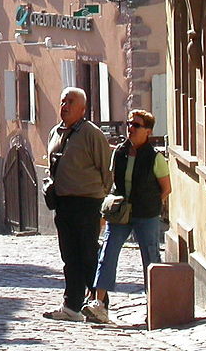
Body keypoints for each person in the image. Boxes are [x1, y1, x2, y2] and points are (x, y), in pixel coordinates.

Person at [83, 109, 171, 323]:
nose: (130, 128)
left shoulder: (155, 158)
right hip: (121, 212)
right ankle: (99, 302)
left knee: (151, 258)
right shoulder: (120, 152)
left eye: (136, 126)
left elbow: (166, 189)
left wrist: (149, 202)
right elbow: (114, 181)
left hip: (146, 214)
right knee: (108, 252)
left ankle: (155, 305)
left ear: (148, 131)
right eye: (129, 124)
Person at [43, 87, 113, 322]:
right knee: (70, 257)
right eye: (63, 101)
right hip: (64, 204)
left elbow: (106, 171)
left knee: (89, 255)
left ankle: (98, 305)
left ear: (82, 109)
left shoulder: (91, 134)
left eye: (71, 102)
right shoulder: (55, 133)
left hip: (88, 203)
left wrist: (104, 206)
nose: (65, 105)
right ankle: (71, 305)